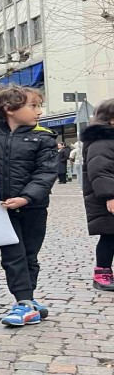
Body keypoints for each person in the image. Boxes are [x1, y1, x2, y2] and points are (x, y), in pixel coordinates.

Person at [0, 85, 57, 326]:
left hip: (33, 208)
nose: (39, 111)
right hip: (2, 210)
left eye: (39, 106)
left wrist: (27, 197)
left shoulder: (44, 138)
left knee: (30, 255)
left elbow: (46, 173)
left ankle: (28, 301)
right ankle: (23, 301)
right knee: (13, 256)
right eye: (33, 106)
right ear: (9, 108)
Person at [81, 99, 114, 291]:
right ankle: (102, 274)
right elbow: (99, 171)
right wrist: (110, 195)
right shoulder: (102, 142)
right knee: (109, 237)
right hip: (106, 199)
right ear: (109, 119)